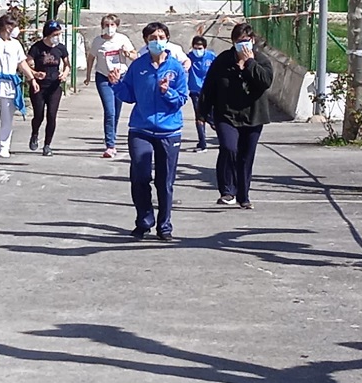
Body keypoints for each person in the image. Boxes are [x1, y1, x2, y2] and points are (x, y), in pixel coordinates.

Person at [109, 21, 189, 241]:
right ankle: (144, 220)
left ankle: (165, 225)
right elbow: (130, 95)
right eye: (152, 38)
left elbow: (182, 98)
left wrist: (167, 92)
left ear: (167, 39)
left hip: (169, 131)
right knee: (140, 176)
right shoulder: (139, 66)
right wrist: (116, 84)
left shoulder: (176, 68)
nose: (157, 41)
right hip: (141, 129)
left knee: (165, 181)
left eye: (161, 37)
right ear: (145, 41)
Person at [197, 22, 274, 210]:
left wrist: (249, 63)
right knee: (228, 148)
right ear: (233, 42)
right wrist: (202, 112)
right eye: (239, 42)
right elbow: (209, 87)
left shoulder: (261, 61)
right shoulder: (222, 61)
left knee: (246, 156)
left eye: (247, 41)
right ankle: (227, 191)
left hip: (253, 116)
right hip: (226, 114)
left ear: (253, 40)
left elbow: (265, 81)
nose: (244, 45)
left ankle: (243, 195)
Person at [0, 15, 40, 159]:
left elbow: (21, 63)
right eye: (12, 26)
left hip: (10, 84)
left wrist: (32, 79)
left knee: (7, 117)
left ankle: (4, 147)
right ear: (5, 26)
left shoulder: (16, 44)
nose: (15, 29)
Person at [85, 14, 136, 158]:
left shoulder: (122, 39)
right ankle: (110, 145)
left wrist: (127, 54)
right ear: (102, 27)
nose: (109, 28)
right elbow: (91, 58)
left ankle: (112, 135)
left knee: (116, 112)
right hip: (104, 77)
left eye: (112, 25)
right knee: (110, 111)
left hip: (121, 78)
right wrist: (88, 75)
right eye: (106, 25)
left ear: (117, 26)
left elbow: (134, 55)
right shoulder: (97, 41)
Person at [27, 20, 70, 157]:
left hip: (54, 86)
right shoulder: (36, 48)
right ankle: (34, 134)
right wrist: (34, 74)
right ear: (48, 35)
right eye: (55, 34)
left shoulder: (61, 48)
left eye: (59, 34)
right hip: (39, 87)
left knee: (51, 115)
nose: (57, 37)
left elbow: (67, 64)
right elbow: (26, 65)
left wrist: (64, 74)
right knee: (38, 115)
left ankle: (47, 145)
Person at [187, 35, 217, 152]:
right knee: (199, 117)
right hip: (195, 91)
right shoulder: (189, 58)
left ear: (205, 48)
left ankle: (217, 127)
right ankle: (202, 143)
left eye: (200, 48)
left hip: (209, 90)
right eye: (195, 48)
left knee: (211, 116)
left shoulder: (211, 56)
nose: (197, 51)